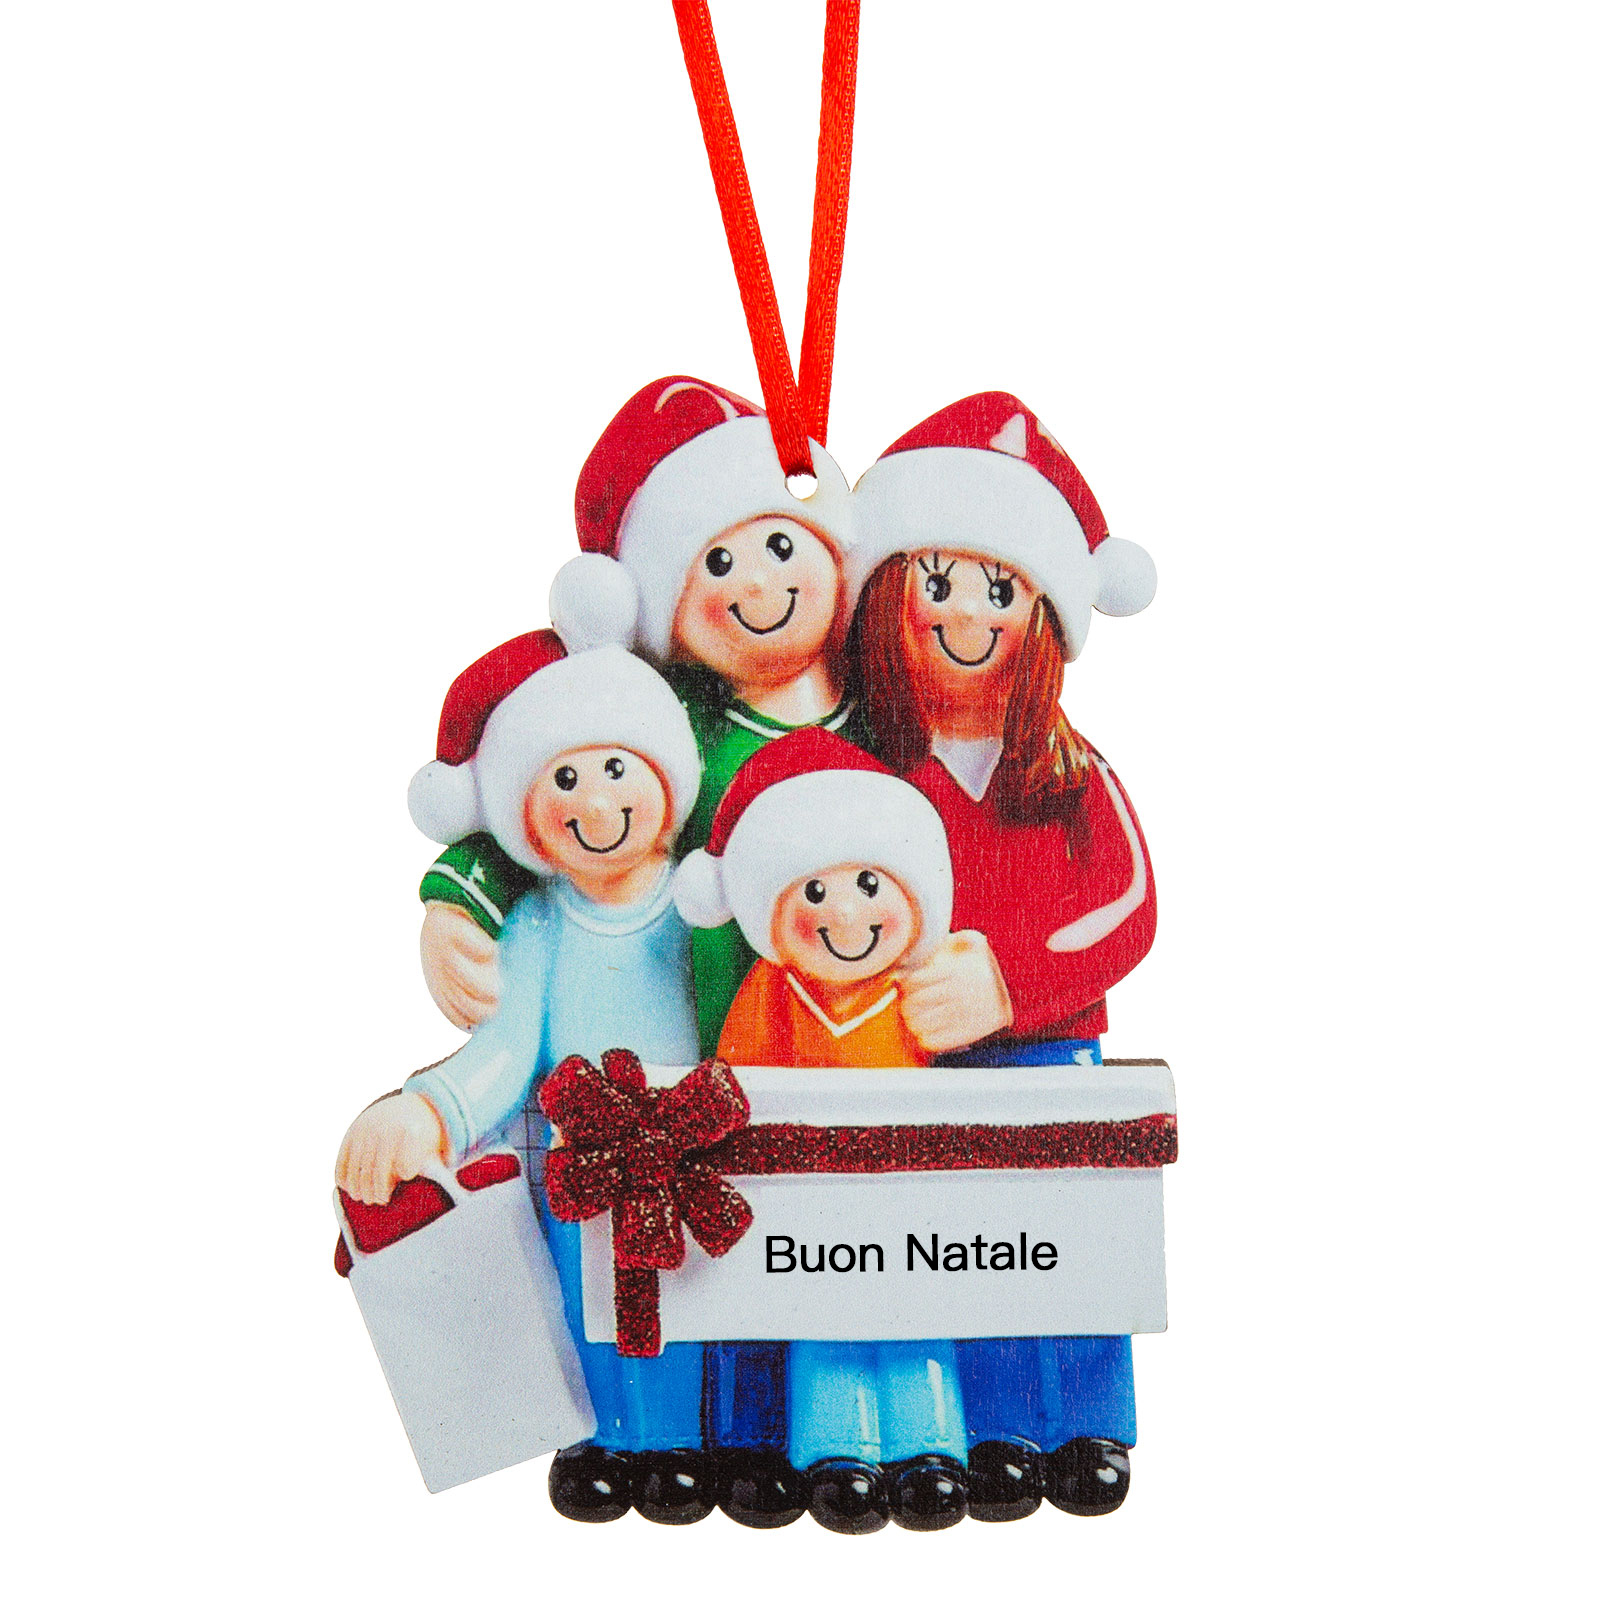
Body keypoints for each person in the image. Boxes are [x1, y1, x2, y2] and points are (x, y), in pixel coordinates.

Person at [848, 391, 1159, 1520]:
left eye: (1001, 589)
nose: (967, 614)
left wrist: (1013, 982)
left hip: (1052, 1060)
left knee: (1066, 1239)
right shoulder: (864, 767)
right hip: (907, 1061)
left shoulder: (1071, 771)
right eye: (936, 582)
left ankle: (1085, 1422)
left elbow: (1127, 906)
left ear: (1044, 617)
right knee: (953, 1247)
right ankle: (986, 1428)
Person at [335, 628, 713, 1526]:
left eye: (615, 768)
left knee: (694, 1304)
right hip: (576, 1160)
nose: (595, 801)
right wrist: (428, 1110)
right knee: (583, 1308)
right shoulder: (538, 925)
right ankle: (602, 1440)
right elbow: (503, 1054)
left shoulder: (702, 902)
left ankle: (683, 1440)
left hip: (694, 1150)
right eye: (564, 779)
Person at [675, 729, 973, 1533]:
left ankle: (929, 1441)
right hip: (805, 1202)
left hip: (907, 1196)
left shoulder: (917, 992)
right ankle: (837, 1446)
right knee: (821, 1317)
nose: (844, 911)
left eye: (870, 883)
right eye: (813, 891)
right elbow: (737, 1082)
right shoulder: (772, 993)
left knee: (917, 1307)